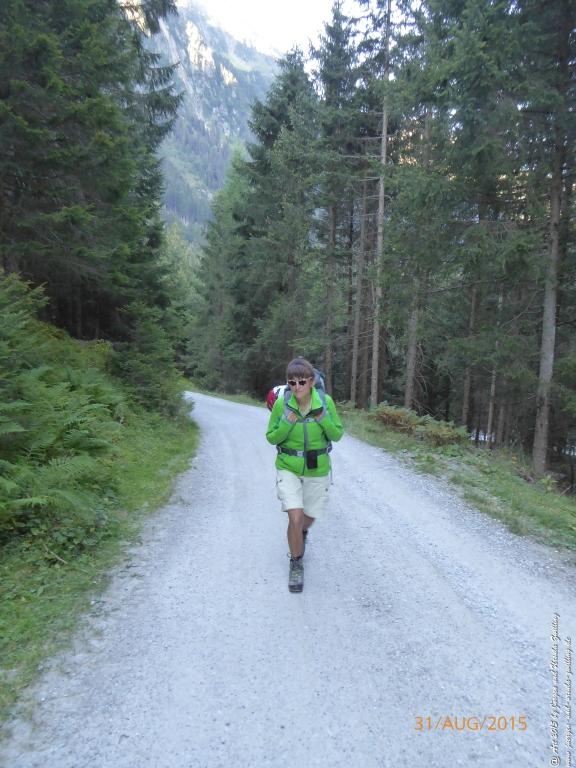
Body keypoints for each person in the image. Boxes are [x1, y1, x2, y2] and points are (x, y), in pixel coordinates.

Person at [265, 357, 344, 592]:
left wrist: (323, 419)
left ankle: (301, 533)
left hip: (317, 468)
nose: (297, 387)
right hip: (288, 466)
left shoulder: (325, 402)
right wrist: (286, 423)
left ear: (311, 381)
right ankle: (296, 562)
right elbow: (271, 437)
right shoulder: (283, 404)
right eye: (292, 382)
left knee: (308, 518)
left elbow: (337, 435)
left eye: (301, 382)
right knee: (295, 517)